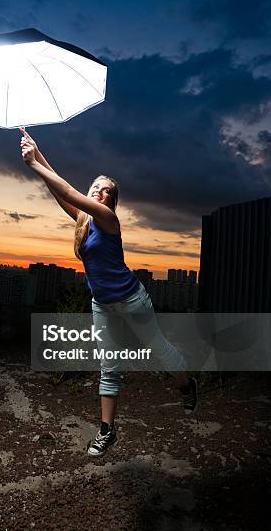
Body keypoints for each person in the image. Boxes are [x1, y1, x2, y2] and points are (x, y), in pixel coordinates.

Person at [20, 130, 198, 457]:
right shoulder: (83, 220)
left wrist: (33, 165)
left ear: (111, 201)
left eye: (106, 190)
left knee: (159, 350)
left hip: (133, 300)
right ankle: (107, 431)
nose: (100, 192)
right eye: (96, 187)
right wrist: (38, 151)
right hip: (101, 304)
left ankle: (187, 385)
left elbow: (70, 190)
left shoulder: (107, 219)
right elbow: (59, 187)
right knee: (109, 364)